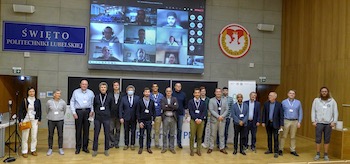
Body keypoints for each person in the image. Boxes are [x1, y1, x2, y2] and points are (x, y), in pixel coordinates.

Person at [311, 87, 338, 161]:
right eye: (322, 91)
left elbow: (335, 112)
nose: (324, 93)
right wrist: (313, 121)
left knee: (327, 139)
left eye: (325, 91)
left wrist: (334, 122)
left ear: (328, 92)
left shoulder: (332, 101)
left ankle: (326, 154)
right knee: (318, 139)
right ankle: (318, 154)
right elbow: (313, 111)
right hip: (319, 123)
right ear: (320, 92)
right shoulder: (316, 100)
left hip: (328, 124)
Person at [70, 80, 94, 154]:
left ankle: (85, 147)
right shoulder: (75, 92)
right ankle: (78, 148)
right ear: (80, 85)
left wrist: (92, 111)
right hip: (78, 112)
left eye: (85, 84)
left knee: (86, 131)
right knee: (78, 130)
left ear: (87, 85)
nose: (84, 85)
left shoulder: (91, 92)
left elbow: (93, 102)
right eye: (83, 84)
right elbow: (72, 102)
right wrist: (73, 112)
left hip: (87, 112)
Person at [19, 87, 42, 158]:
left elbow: (39, 111)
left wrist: (39, 119)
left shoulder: (38, 101)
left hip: (34, 120)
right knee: (25, 136)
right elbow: (20, 110)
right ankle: (24, 151)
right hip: (26, 120)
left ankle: (33, 149)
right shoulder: (25, 100)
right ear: (28, 92)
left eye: (33, 91)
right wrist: (20, 120)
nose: (32, 93)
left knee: (34, 136)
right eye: (30, 91)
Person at [92, 82, 113, 157]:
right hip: (97, 118)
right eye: (102, 87)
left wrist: (107, 113)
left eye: (104, 87)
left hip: (106, 118)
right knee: (96, 134)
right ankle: (95, 150)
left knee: (107, 134)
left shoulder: (110, 97)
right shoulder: (96, 97)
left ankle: (106, 150)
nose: (103, 89)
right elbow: (94, 106)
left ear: (106, 89)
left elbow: (111, 107)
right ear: (99, 88)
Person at [279, 90, 303, 156]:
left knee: (293, 136)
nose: (292, 94)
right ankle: (280, 149)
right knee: (283, 136)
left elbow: (300, 112)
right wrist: (281, 122)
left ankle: (293, 150)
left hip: (295, 121)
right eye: (290, 93)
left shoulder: (298, 102)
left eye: (293, 93)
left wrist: (299, 121)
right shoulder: (284, 102)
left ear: (295, 95)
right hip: (286, 120)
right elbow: (281, 112)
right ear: (288, 94)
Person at [262, 91, 284, 158]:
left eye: (271, 95)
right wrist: (263, 122)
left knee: (276, 138)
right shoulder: (266, 104)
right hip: (268, 123)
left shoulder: (279, 104)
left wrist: (281, 124)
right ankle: (270, 149)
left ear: (275, 97)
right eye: (269, 95)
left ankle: (276, 151)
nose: (269, 97)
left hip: (276, 124)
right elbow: (264, 113)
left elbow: (281, 115)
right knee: (269, 137)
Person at [207, 88, 229, 154]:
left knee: (222, 135)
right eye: (217, 92)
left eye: (219, 92)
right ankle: (211, 147)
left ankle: (222, 148)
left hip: (222, 120)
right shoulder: (211, 100)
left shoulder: (225, 100)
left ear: (221, 93)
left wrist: (222, 116)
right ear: (215, 93)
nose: (218, 93)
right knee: (212, 135)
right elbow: (211, 109)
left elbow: (227, 109)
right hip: (214, 120)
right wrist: (218, 116)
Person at [46, 89, 67, 156]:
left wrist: (59, 116)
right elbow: (47, 110)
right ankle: (50, 148)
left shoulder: (63, 102)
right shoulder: (49, 102)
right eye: (57, 93)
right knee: (50, 135)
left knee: (60, 135)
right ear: (54, 94)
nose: (59, 95)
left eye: (60, 93)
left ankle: (60, 148)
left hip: (60, 120)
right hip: (51, 120)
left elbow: (64, 110)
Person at [119, 85, 140, 150]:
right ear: (126, 91)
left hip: (134, 118)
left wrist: (138, 118)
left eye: (131, 90)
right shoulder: (123, 98)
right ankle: (126, 144)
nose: (130, 91)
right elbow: (120, 108)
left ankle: (132, 144)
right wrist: (121, 117)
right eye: (129, 90)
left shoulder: (137, 98)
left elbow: (138, 109)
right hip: (126, 117)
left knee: (133, 131)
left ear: (133, 91)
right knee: (126, 131)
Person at [136, 87, 156, 154]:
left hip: (149, 121)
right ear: (143, 93)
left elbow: (154, 111)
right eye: (146, 92)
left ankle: (148, 147)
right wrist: (139, 121)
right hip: (142, 121)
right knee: (141, 135)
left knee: (148, 135)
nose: (147, 93)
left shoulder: (152, 102)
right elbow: (137, 112)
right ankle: (141, 147)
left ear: (150, 93)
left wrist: (153, 120)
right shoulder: (140, 101)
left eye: (148, 92)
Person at [188, 88, 206, 156]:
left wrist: (200, 119)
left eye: (198, 93)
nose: (197, 94)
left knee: (199, 136)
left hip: (201, 121)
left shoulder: (203, 102)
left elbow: (204, 112)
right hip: (193, 120)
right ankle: (192, 150)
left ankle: (198, 150)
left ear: (200, 94)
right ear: (194, 94)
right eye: (196, 93)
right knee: (192, 136)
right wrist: (196, 119)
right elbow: (191, 111)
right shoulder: (191, 102)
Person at [161, 87, 178, 154]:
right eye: (167, 91)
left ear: (171, 92)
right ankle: (164, 148)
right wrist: (171, 106)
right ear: (165, 92)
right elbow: (163, 107)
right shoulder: (163, 99)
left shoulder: (174, 99)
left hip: (173, 118)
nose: (168, 92)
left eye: (170, 91)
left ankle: (172, 148)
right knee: (165, 133)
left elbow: (176, 107)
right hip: (165, 118)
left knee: (172, 134)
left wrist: (168, 106)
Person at [172, 83, 187, 149]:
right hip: (172, 113)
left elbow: (185, 104)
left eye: (179, 86)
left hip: (180, 114)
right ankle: (171, 143)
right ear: (174, 87)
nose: (178, 87)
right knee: (171, 129)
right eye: (177, 86)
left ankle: (179, 143)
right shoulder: (171, 93)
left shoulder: (183, 94)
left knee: (179, 129)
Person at [150, 83, 164, 149]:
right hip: (150, 116)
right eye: (153, 87)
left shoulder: (161, 96)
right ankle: (148, 144)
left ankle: (157, 144)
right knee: (149, 130)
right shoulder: (149, 95)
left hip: (158, 115)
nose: (155, 88)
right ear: (152, 88)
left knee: (157, 131)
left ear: (158, 88)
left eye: (156, 87)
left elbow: (163, 105)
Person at [109, 81, 123, 149]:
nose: (116, 86)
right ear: (113, 86)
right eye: (115, 85)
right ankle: (112, 142)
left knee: (118, 130)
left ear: (119, 86)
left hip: (119, 116)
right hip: (111, 115)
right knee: (111, 129)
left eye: (117, 85)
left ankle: (116, 143)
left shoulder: (122, 95)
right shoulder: (109, 94)